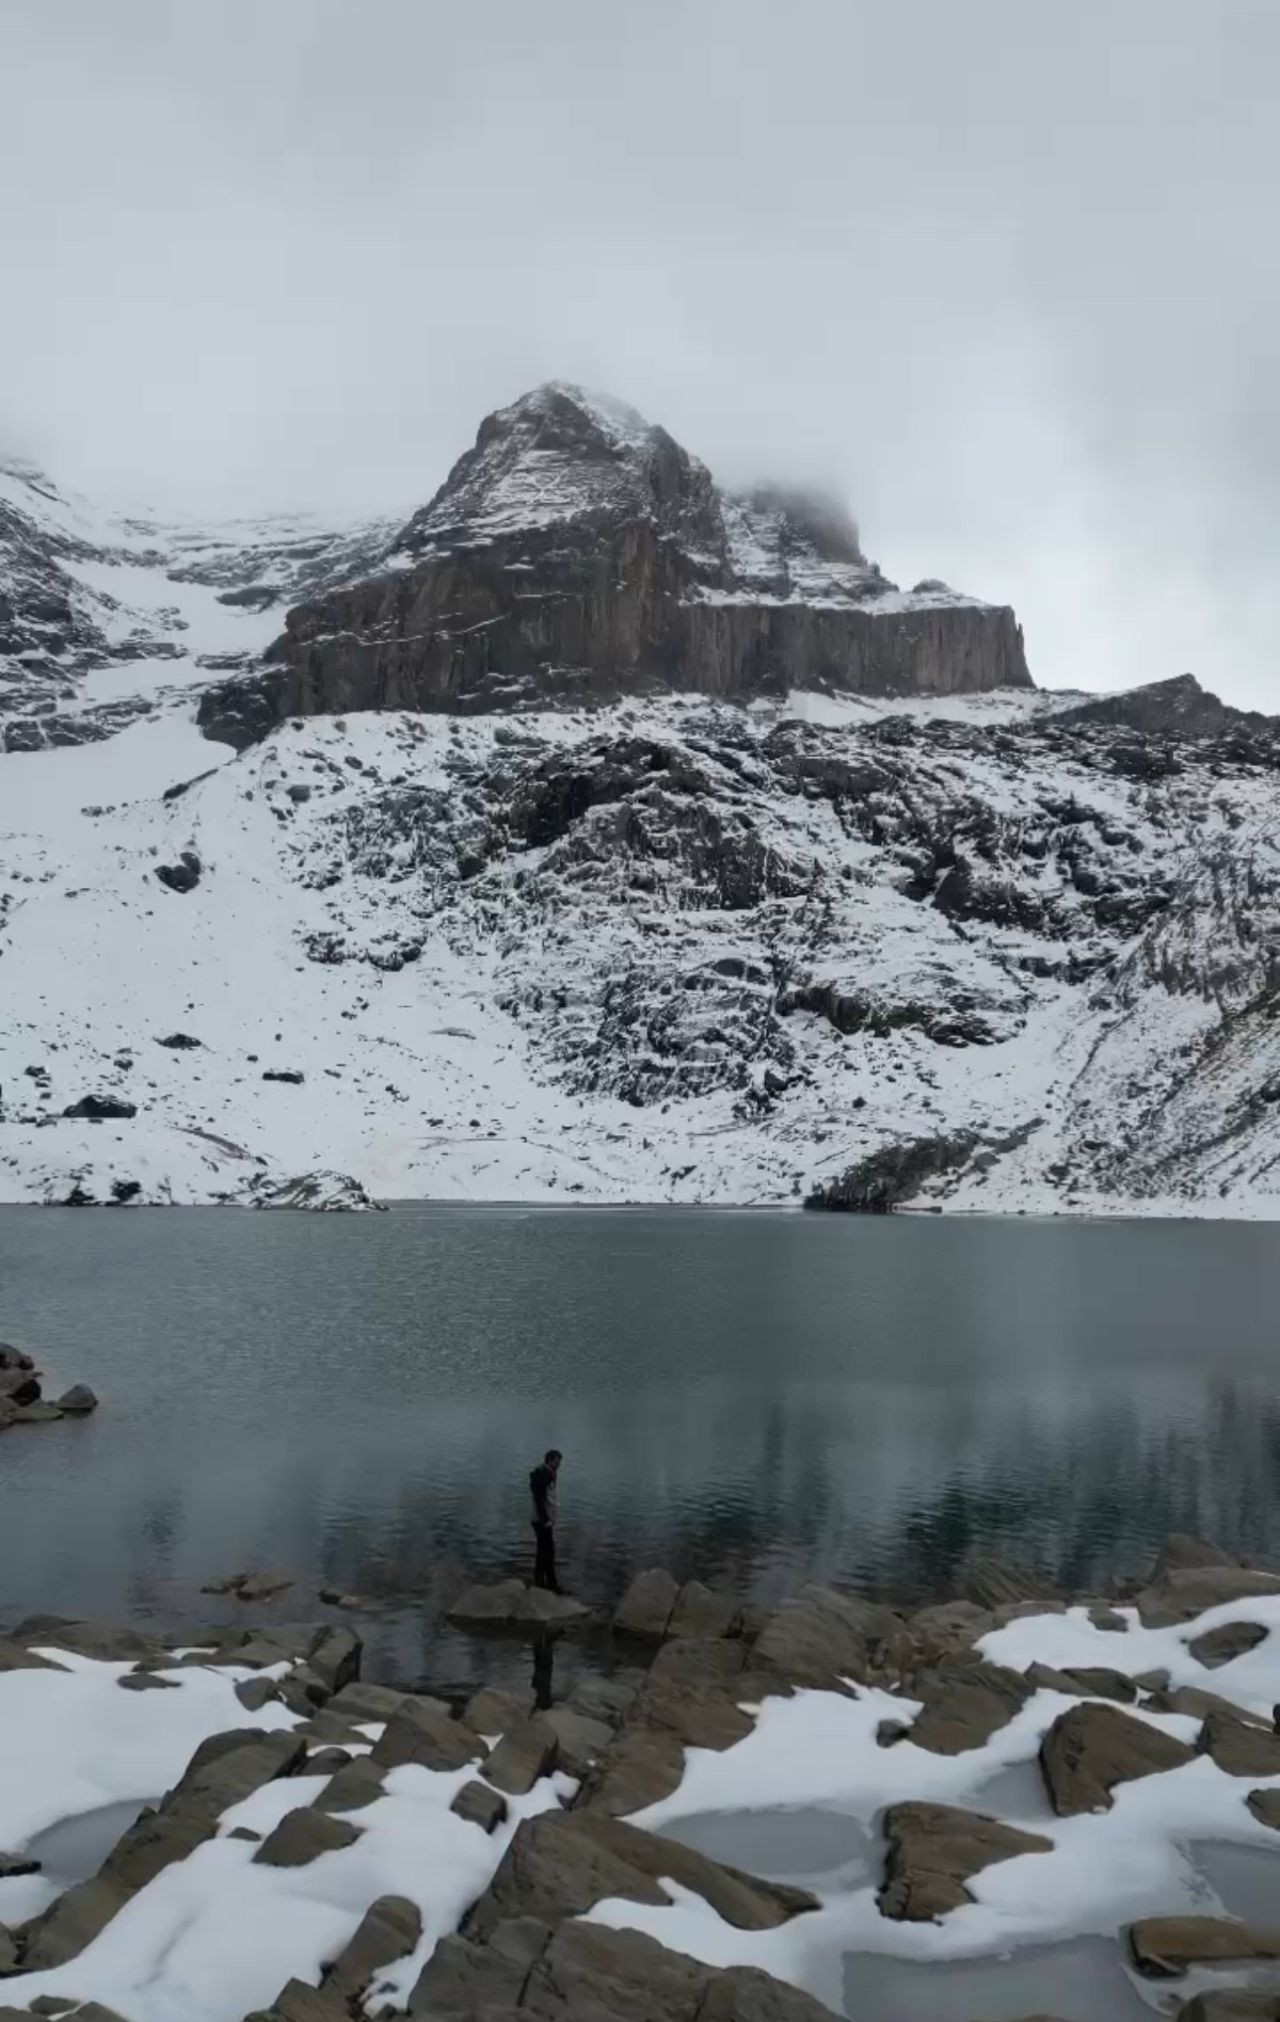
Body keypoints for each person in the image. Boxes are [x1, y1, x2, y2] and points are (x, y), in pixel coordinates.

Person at [529, 1448, 563, 1593]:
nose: (559, 1465)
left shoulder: (547, 1473)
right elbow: (538, 1499)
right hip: (542, 1521)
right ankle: (550, 1585)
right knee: (548, 1552)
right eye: (557, 1461)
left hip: (543, 1519)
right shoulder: (543, 1475)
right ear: (550, 1460)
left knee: (543, 1551)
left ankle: (541, 1582)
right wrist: (545, 1520)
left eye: (559, 1462)